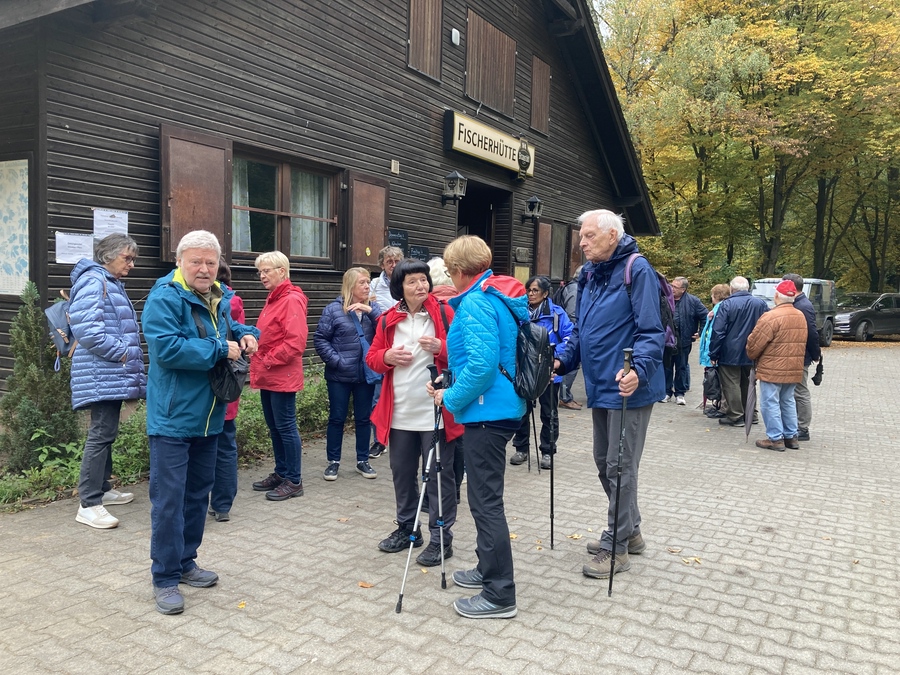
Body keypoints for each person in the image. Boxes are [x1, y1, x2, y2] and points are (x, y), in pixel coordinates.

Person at [142, 231, 259, 615]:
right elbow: (167, 349)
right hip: (173, 418)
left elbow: (227, 331)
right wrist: (217, 348)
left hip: (209, 417)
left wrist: (246, 334)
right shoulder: (165, 297)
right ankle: (164, 577)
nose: (204, 269)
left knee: (196, 496)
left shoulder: (218, 297)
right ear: (180, 263)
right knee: (169, 501)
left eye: (210, 262)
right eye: (196, 262)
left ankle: (186, 562)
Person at [555, 209, 665, 580]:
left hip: (628, 386)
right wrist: (562, 361)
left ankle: (616, 546)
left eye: (588, 236)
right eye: (581, 236)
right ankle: (630, 530)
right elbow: (581, 331)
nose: (581, 243)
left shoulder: (638, 270)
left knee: (620, 465)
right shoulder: (589, 275)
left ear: (612, 236)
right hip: (600, 385)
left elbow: (652, 332)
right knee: (605, 461)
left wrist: (638, 370)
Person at [428, 235, 526, 620]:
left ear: (456, 270)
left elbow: (483, 366)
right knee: (484, 499)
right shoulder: (495, 295)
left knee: (486, 503)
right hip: (500, 408)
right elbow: (484, 357)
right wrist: (452, 381)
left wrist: (449, 398)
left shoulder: (476, 302)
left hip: (487, 411)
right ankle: (487, 570)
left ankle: (500, 594)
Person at [368, 259, 462, 566]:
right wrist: (387, 355)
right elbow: (372, 359)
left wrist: (441, 347)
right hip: (400, 412)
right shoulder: (386, 320)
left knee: (438, 477)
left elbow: (465, 353)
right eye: (412, 282)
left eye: (423, 280)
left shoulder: (445, 313)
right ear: (400, 288)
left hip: (435, 412)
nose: (420, 286)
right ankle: (408, 529)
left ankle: (440, 540)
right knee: (402, 474)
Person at [68, 233, 146, 530]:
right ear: (107, 256)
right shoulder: (94, 281)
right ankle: (88, 503)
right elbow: (87, 330)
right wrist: (123, 353)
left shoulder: (107, 282)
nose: (132, 264)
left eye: (133, 258)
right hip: (103, 371)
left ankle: (102, 489)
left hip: (108, 372)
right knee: (101, 434)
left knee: (106, 431)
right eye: (127, 258)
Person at [249, 251, 309, 501]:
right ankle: (282, 472)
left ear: (282, 271)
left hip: (280, 374)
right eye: (260, 271)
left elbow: (296, 343)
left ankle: (294, 480)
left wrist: (266, 360)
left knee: (285, 427)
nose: (262, 275)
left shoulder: (290, 299)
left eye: (267, 270)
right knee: (275, 427)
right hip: (269, 374)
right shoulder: (274, 298)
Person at [314, 267, 382, 481]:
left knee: (363, 419)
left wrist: (370, 311)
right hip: (339, 376)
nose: (366, 286)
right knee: (337, 418)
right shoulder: (333, 310)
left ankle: (363, 460)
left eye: (368, 282)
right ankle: (333, 462)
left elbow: (387, 329)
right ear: (350, 285)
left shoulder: (373, 308)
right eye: (362, 282)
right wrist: (337, 361)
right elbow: (320, 339)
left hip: (365, 374)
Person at [510, 275, 573, 470]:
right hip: (524, 371)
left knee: (549, 413)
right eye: (528, 290)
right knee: (521, 412)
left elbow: (570, 338)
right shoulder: (519, 311)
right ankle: (521, 448)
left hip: (549, 372)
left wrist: (555, 360)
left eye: (535, 290)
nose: (530, 293)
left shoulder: (557, 314)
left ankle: (547, 451)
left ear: (545, 293)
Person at [745, 280, 808, 451]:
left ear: (776, 296)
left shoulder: (771, 316)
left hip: (772, 368)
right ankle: (791, 436)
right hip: (794, 367)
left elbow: (755, 343)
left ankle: (775, 438)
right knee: (788, 401)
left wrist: (750, 353)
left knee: (770, 402)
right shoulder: (800, 316)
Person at [208, 258, 244, 522]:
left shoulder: (226, 301)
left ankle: (220, 502)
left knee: (221, 443)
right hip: (228, 379)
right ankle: (221, 504)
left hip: (221, 378)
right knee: (225, 444)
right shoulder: (234, 299)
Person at [708, 276, 769, 427]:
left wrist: (713, 353)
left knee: (731, 383)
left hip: (730, 352)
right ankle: (751, 414)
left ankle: (735, 415)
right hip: (753, 350)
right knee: (748, 383)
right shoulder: (760, 304)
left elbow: (718, 331)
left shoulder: (727, 305)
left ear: (731, 289)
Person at [368, 246, 404, 458]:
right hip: (383, 345)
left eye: (397, 261)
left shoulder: (408, 282)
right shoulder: (374, 285)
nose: (393, 265)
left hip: (406, 343)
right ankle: (379, 441)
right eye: (389, 261)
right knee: (378, 396)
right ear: (382, 265)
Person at [782, 273, 821, 442]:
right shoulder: (798, 304)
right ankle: (795, 425)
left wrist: (815, 354)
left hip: (800, 355)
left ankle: (802, 427)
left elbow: (811, 333)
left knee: (800, 391)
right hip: (795, 354)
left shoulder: (803, 306)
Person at [662, 277, 708, 405]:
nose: (672, 289)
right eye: (671, 285)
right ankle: (666, 392)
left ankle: (680, 393)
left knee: (681, 366)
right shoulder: (665, 299)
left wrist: (700, 332)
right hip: (667, 340)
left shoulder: (693, 301)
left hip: (684, 339)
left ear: (683, 289)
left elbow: (705, 316)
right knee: (667, 366)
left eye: (675, 287)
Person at [698, 283, 732, 418]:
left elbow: (714, 333)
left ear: (717, 295)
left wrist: (711, 353)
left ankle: (721, 407)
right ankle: (718, 405)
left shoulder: (720, 309)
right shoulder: (717, 309)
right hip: (712, 350)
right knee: (716, 379)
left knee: (716, 380)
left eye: (712, 295)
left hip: (713, 351)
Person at [557, 266, 584, 410]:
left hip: (571, 330)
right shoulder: (575, 289)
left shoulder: (572, 286)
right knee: (571, 365)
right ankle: (565, 397)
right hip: (573, 332)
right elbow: (573, 314)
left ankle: (565, 395)